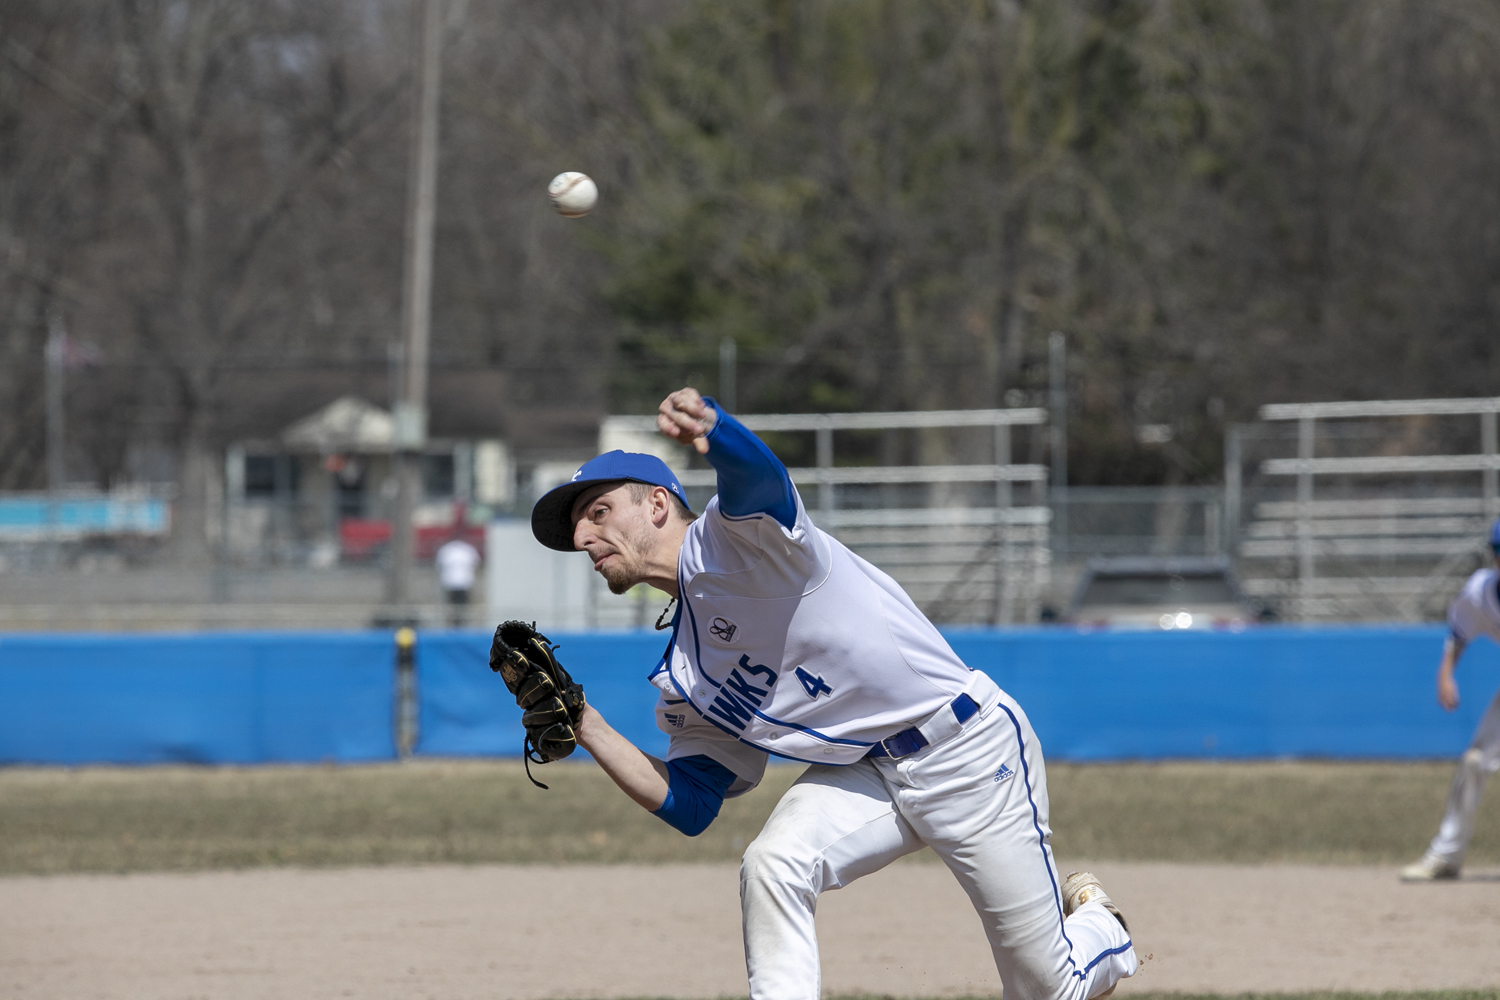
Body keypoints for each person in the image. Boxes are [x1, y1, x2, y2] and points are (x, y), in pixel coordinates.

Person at [527, 387, 1137, 1000]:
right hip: (867, 771)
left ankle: (1100, 929)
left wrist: (716, 427)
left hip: (967, 749)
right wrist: (586, 726)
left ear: (658, 503)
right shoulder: (686, 672)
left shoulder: (737, 541)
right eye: (578, 524)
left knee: (1050, 988)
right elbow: (691, 804)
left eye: (598, 511)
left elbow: (760, 479)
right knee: (772, 865)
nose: (582, 536)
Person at [1401, 518, 1500, 881]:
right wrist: (1445, 675)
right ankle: (1446, 855)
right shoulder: (1479, 594)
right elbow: (1459, 634)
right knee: (1475, 761)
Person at [435, 532, 481, 627]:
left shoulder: (447, 549)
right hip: (462, 582)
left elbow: (438, 566)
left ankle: (455, 624)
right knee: (460, 606)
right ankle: (458, 624)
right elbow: (476, 564)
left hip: (453, 582)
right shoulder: (467, 549)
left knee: (455, 606)